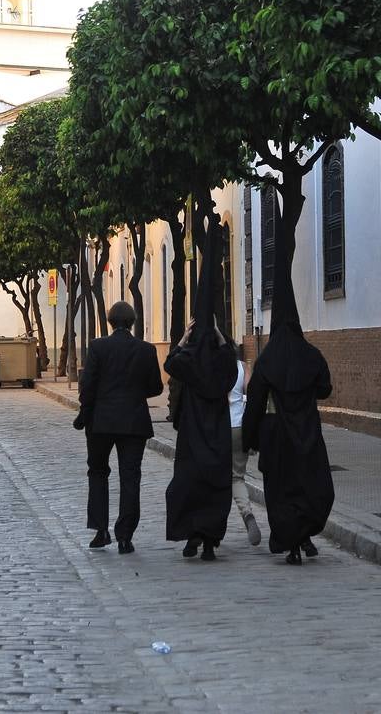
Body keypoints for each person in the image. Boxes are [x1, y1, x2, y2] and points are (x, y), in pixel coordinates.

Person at [242, 267, 335, 566]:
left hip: (275, 433)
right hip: (307, 430)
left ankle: (292, 543)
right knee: (310, 484)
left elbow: (255, 402)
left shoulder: (267, 360)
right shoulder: (312, 355)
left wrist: (249, 438)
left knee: (281, 490)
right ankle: (304, 535)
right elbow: (325, 389)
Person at [163, 222, 236, 562]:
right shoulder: (221, 363)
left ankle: (192, 536)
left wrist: (181, 339)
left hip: (192, 434)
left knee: (189, 484)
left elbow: (170, 363)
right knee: (214, 487)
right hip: (217, 432)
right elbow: (231, 369)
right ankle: (209, 541)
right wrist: (221, 341)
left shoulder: (188, 360)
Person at [74, 300, 163, 554]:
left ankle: (101, 530)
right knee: (130, 477)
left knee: (98, 472)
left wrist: (84, 413)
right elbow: (155, 387)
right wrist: (134, 393)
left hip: (101, 421)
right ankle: (125, 536)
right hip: (134, 422)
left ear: (110, 322)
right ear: (132, 323)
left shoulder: (98, 347)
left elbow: (87, 385)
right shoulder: (146, 350)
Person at [228, 354, 262, 546]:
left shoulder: (213, 365)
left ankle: (212, 527)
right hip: (239, 427)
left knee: (216, 479)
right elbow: (253, 395)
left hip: (217, 430)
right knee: (237, 477)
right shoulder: (242, 367)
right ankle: (247, 515)